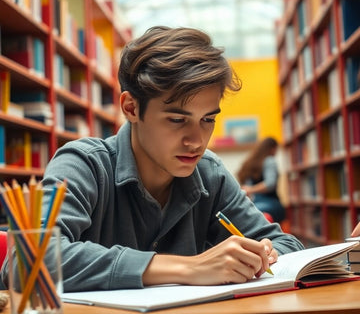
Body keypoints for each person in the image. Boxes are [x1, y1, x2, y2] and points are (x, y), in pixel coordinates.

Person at [1, 26, 304, 291]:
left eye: (207, 120)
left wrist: (264, 254)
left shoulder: (210, 173)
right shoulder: (83, 164)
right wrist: (189, 268)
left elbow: (288, 246)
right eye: (176, 120)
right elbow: (26, 261)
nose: (197, 141)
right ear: (131, 108)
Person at [237, 137, 286, 223]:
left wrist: (249, 190)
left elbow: (246, 189)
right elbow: (270, 184)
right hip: (270, 203)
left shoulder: (249, 163)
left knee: (250, 213)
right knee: (260, 213)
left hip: (253, 203)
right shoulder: (270, 160)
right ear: (272, 149)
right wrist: (251, 189)